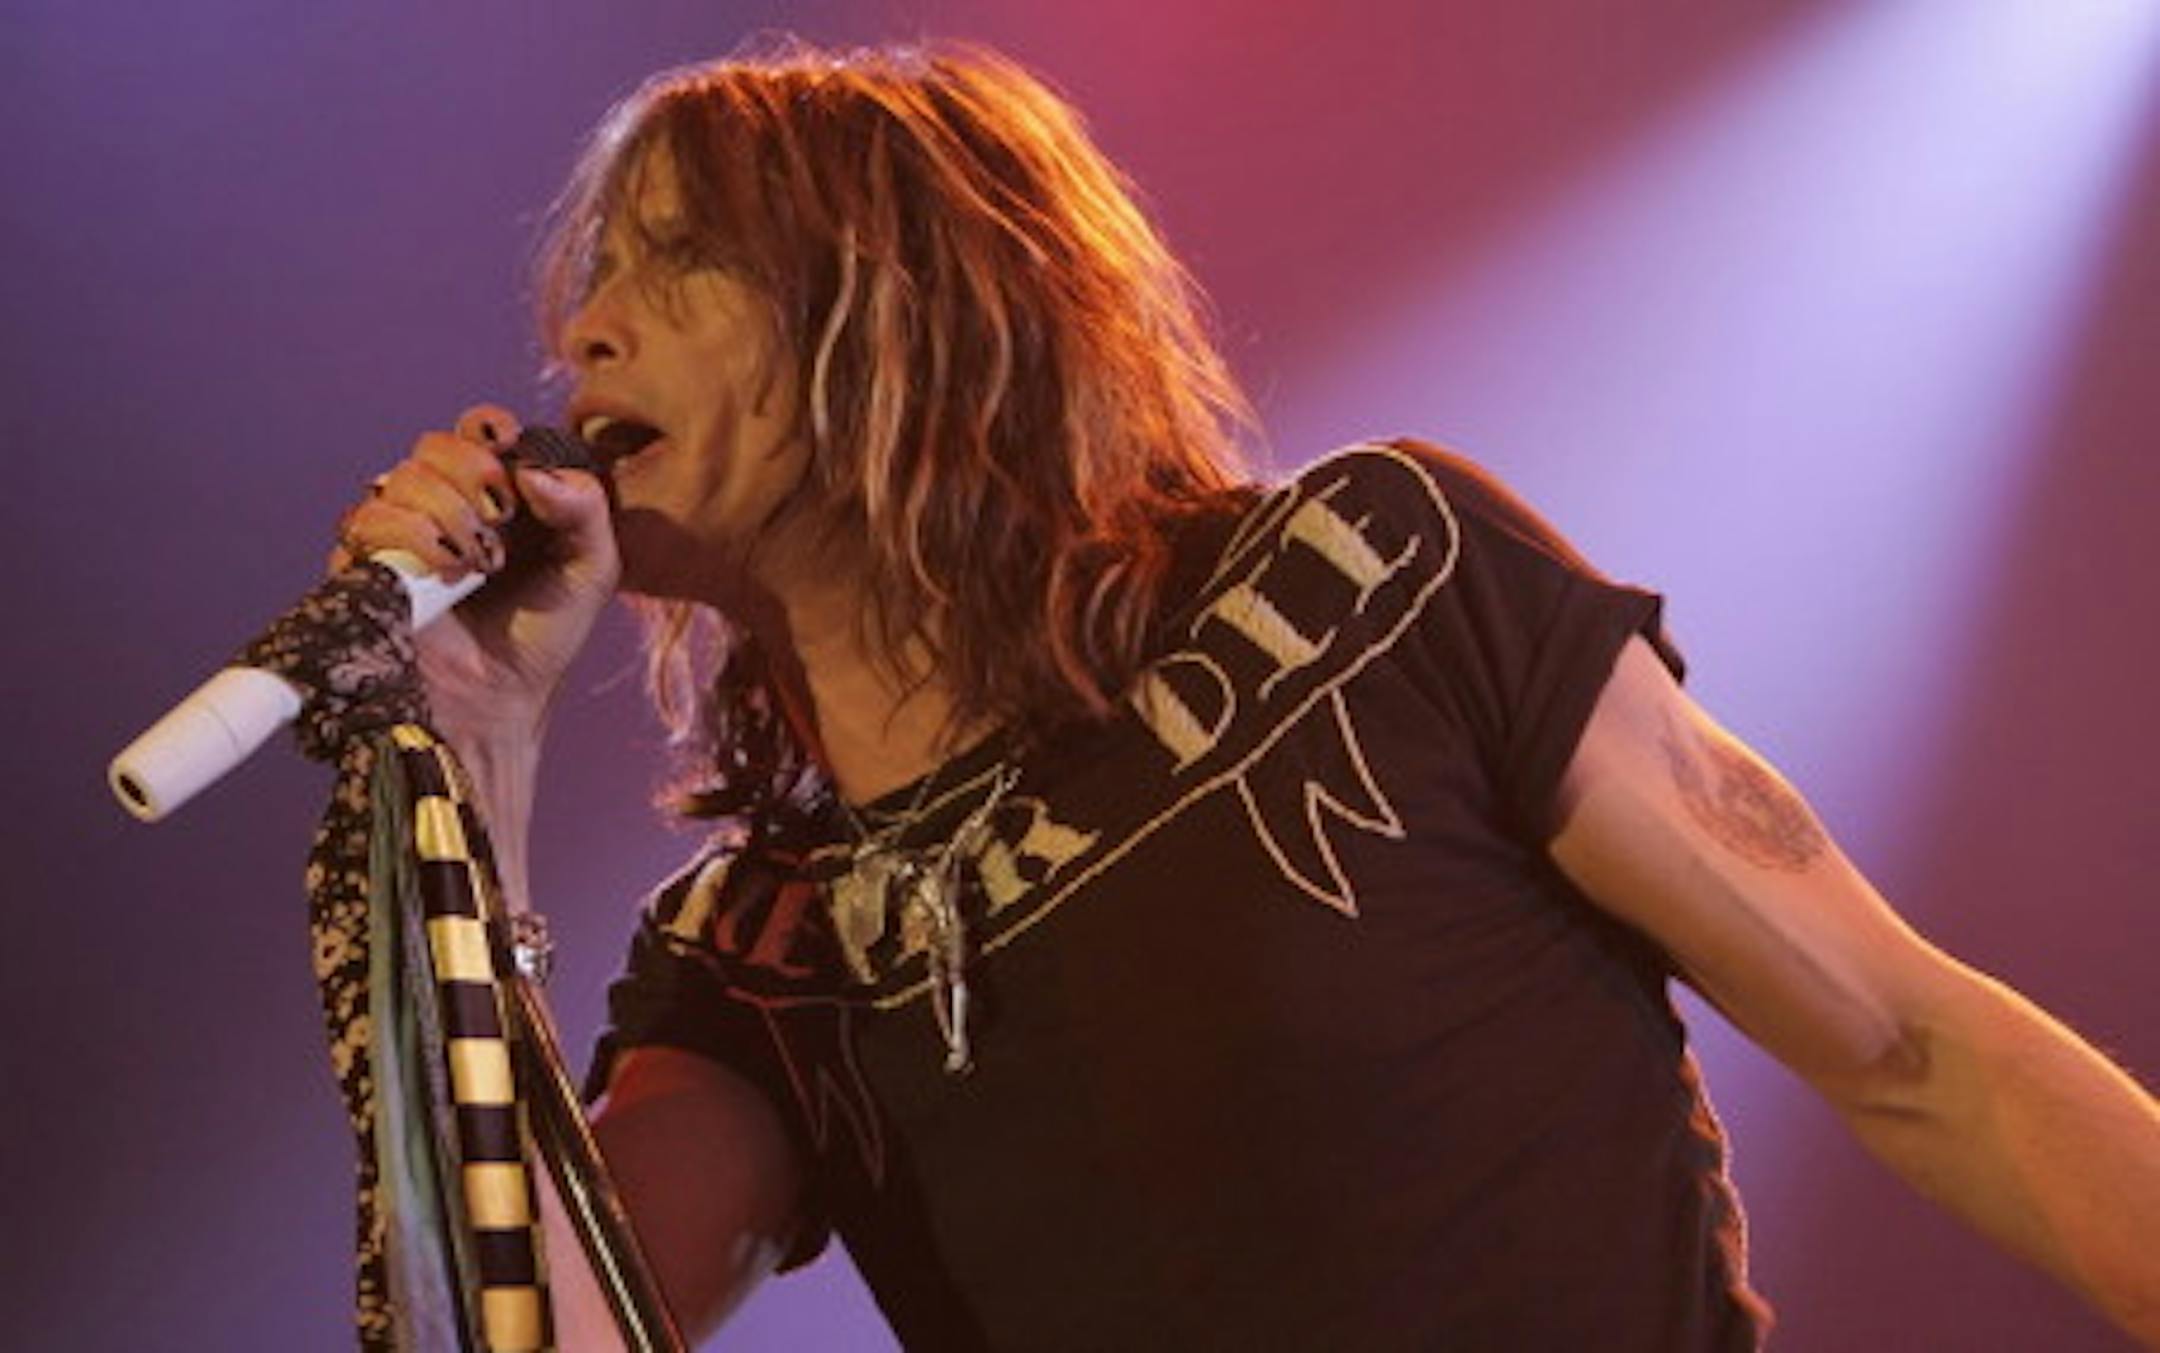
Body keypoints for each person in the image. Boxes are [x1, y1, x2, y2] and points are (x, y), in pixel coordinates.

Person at [330, 39, 2160, 1351]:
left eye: (680, 258)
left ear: (904, 303)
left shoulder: (1365, 582)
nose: (586, 331)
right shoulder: (769, 949)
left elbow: (1913, 1050)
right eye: (593, 283)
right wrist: (468, 758)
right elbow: (518, 1338)